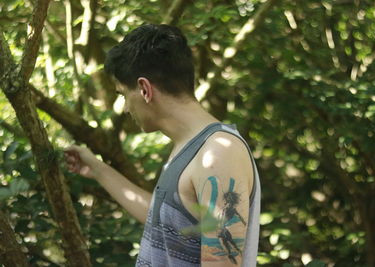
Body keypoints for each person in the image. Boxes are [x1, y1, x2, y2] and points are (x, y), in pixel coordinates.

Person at [64, 24, 260, 267]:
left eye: (123, 94)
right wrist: (96, 169)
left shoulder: (218, 153)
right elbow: (167, 222)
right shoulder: (190, 148)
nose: (126, 107)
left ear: (145, 89)